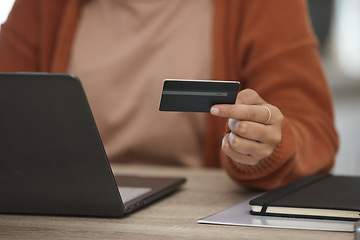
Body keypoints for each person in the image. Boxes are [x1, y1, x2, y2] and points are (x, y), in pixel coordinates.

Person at [0, 0, 338, 190]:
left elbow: (314, 130)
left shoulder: (263, 6)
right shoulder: (42, 7)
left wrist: (268, 145)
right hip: (62, 206)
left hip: (197, 213)